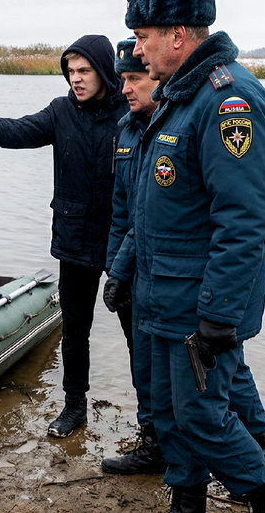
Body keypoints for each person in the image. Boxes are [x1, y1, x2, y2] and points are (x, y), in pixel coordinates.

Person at [117, 0, 265, 511]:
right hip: (161, 295)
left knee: (202, 415)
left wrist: (218, 313)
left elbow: (244, 219)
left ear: (177, 35)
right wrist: (126, 270)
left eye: (144, 36)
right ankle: (187, 502)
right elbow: (152, 209)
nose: (136, 49)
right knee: (172, 415)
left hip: (198, 302)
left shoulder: (228, 99)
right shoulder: (179, 97)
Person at [0, 35, 128, 439]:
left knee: (137, 332)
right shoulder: (61, 111)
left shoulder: (130, 108)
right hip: (74, 239)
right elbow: (22, 130)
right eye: (70, 71)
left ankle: (151, 420)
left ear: (105, 71)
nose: (75, 80)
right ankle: (74, 406)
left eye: (84, 71)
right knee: (76, 331)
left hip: (122, 242)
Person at [99, 36, 165, 475]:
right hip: (127, 272)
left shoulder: (171, 128)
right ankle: (154, 442)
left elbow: (149, 218)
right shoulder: (126, 129)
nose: (126, 88)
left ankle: (250, 453)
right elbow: (121, 211)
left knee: (205, 371)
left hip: (158, 272)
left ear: (158, 79)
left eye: (136, 79)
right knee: (140, 359)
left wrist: (121, 268)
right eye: (123, 79)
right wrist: (113, 269)